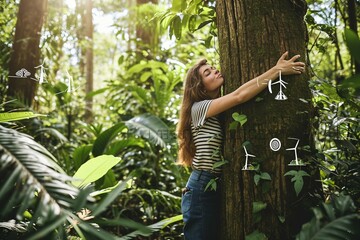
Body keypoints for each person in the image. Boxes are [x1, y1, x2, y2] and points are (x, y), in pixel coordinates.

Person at [176, 52, 305, 240]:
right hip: (201, 186)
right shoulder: (199, 108)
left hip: (211, 185)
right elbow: (239, 96)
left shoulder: (215, 109)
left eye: (213, 68)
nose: (215, 71)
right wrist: (277, 70)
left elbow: (240, 94)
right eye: (207, 73)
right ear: (199, 87)